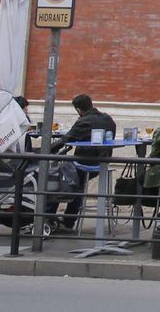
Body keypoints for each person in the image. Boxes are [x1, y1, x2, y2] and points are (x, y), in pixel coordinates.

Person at [49, 93, 117, 230]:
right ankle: (67, 220)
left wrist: (44, 150)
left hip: (86, 163)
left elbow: (66, 139)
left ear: (79, 110)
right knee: (77, 183)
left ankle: (49, 216)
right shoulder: (108, 119)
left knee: (58, 177)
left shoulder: (84, 121)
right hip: (103, 162)